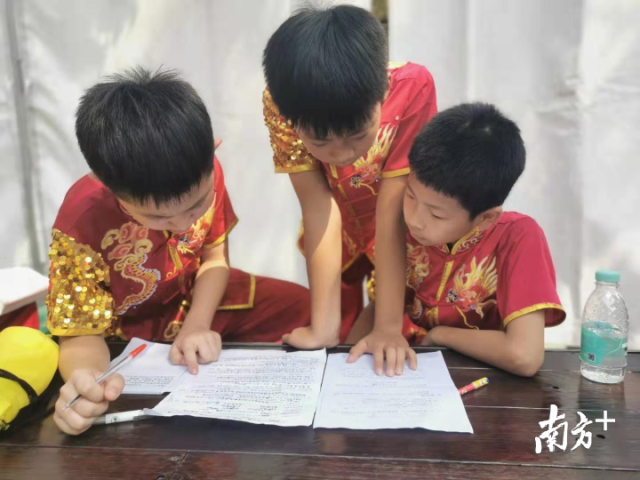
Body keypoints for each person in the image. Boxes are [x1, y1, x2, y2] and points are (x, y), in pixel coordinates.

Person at [49, 68, 310, 434]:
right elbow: (80, 332)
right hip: (124, 334)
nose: (184, 223)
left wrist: (197, 325)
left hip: (196, 299)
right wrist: (87, 381)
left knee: (304, 307)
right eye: (158, 217)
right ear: (107, 185)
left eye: (197, 205)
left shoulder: (203, 168)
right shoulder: (82, 221)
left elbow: (215, 258)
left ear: (212, 149)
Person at [262, 4, 437, 350]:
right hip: (338, 236)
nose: (341, 155)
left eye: (358, 135)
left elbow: (392, 209)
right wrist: (322, 329)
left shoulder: (412, 87)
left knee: (402, 334)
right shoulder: (284, 103)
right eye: (320, 142)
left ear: (383, 91)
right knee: (340, 338)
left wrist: (387, 328)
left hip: (404, 229)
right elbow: (317, 204)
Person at [350, 102, 566, 377]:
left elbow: (524, 356)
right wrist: (343, 358)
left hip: (488, 384)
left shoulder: (518, 237)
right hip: (412, 371)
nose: (415, 220)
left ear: (486, 218)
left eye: (436, 214)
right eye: (410, 196)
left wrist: (441, 335)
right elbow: (380, 307)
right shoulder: (400, 223)